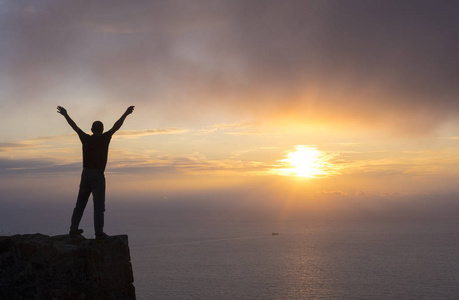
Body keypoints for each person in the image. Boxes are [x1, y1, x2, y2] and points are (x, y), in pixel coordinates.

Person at [57, 106, 135, 239]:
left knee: (80, 203)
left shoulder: (85, 138)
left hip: (85, 174)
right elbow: (117, 126)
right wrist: (126, 113)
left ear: (92, 130)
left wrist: (65, 114)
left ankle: (73, 229)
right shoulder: (105, 138)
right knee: (98, 207)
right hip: (98, 175)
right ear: (102, 130)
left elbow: (74, 126)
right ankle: (99, 233)